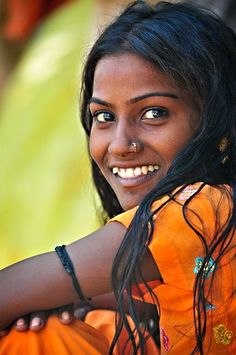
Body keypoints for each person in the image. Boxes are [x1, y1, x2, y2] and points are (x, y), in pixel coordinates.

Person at [0, 0, 236, 353]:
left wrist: (48, 295)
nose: (121, 144)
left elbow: (9, 292)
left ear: (214, 119)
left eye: (154, 113)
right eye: (104, 117)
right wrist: (75, 301)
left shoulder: (201, 210)